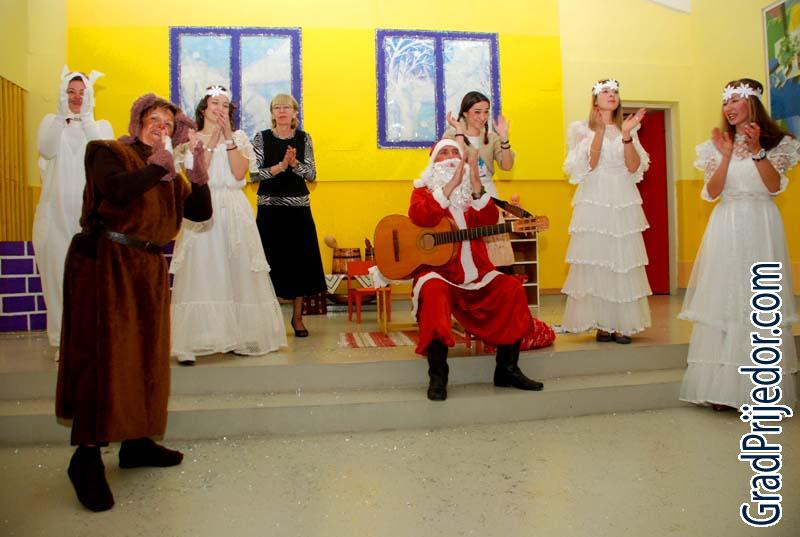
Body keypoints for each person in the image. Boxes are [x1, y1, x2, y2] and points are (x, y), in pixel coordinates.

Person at [55, 93, 212, 512]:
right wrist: (158, 165)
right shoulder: (107, 151)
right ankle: (86, 457)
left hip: (148, 268)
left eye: (168, 124)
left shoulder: (168, 171)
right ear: (138, 121)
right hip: (106, 262)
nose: (161, 127)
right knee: (102, 357)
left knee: (146, 357)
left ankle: (137, 442)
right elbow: (118, 190)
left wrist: (197, 175)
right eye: (154, 119)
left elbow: (199, 213)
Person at [679, 78, 799, 411]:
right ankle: (722, 388)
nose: (729, 107)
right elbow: (712, 192)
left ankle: (758, 387)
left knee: (759, 301)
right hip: (726, 223)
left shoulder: (779, 144)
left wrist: (758, 150)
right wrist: (726, 156)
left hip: (761, 224)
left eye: (735, 100)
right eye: (725, 101)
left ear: (752, 103)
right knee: (726, 300)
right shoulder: (716, 146)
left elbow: (773, 186)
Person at [410, 138, 545, 401]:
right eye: (444, 153)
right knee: (433, 290)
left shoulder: (472, 194)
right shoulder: (422, 192)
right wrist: (450, 185)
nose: (451, 157)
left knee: (511, 288)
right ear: (433, 162)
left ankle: (507, 369)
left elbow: (488, 219)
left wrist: (473, 181)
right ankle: (438, 376)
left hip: (477, 273)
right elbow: (422, 216)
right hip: (440, 275)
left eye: (455, 152)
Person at [170, 86, 287, 365]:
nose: (219, 109)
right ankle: (194, 341)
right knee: (203, 270)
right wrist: (211, 141)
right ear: (203, 109)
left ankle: (240, 336)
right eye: (214, 103)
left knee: (237, 271)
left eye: (225, 105)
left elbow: (238, 173)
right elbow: (198, 173)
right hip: (204, 208)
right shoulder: (189, 139)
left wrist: (229, 138)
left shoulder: (240, 138)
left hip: (234, 208)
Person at [561, 78, 652, 344]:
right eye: (606, 91)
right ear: (595, 100)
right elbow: (589, 164)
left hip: (621, 196)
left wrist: (627, 135)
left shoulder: (628, 128)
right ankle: (602, 322)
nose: (612, 95)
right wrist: (600, 131)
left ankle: (622, 324)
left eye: (615, 91)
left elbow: (634, 167)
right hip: (595, 196)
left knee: (621, 259)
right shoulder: (581, 129)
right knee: (597, 257)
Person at [33, 67, 113, 348]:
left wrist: (86, 118)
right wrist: (61, 117)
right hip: (54, 217)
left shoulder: (102, 127)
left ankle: (89, 342)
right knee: (57, 278)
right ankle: (60, 341)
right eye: (70, 92)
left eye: (82, 92)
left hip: (89, 220)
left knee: (90, 279)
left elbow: (102, 153)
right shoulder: (50, 123)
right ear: (61, 93)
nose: (76, 98)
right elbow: (46, 149)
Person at [251, 94, 326, 337]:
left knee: (300, 265)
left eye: (287, 107)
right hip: (269, 211)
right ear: (272, 113)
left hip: (298, 211)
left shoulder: (304, 138)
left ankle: (298, 318)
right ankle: (268, 321)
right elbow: (253, 174)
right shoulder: (261, 138)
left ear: (295, 113)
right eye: (277, 107)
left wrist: (294, 165)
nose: (282, 111)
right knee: (268, 264)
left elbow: (312, 175)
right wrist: (281, 167)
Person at [443, 91, 515, 267]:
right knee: (465, 252)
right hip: (461, 197)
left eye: (486, 112)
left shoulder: (491, 138)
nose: (482, 117)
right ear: (465, 112)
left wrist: (504, 138)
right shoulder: (451, 136)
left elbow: (507, 166)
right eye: (477, 112)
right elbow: (452, 165)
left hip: (487, 197)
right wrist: (459, 132)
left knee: (494, 255)